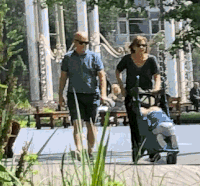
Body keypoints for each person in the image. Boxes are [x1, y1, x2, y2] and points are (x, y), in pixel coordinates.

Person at [114, 35, 165, 163]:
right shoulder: (127, 59)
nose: (141, 48)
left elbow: (157, 76)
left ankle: (153, 151)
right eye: (139, 45)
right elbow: (117, 71)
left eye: (144, 45)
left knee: (151, 121)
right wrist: (121, 87)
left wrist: (156, 88)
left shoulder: (151, 60)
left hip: (147, 95)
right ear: (133, 47)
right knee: (135, 124)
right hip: (132, 95)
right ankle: (137, 150)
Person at [59, 31, 106, 154]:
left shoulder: (94, 57)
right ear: (75, 42)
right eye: (81, 43)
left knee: (90, 124)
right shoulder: (68, 58)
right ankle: (79, 150)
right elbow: (63, 77)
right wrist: (60, 95)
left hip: (91, 94)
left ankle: (90, 150)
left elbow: (102, 76)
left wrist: (103, 94)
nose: (84, 45)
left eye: (86, 43)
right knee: (77, 123)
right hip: (74, 95)